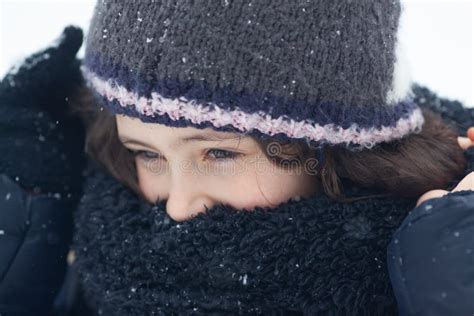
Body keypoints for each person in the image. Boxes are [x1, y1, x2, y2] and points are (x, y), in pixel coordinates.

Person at [0, 1, 472, 315]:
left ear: (339, 153)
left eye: (220, 152)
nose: (179, 207)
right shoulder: (94, 251)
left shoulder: (432, 272)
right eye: (146, 154)